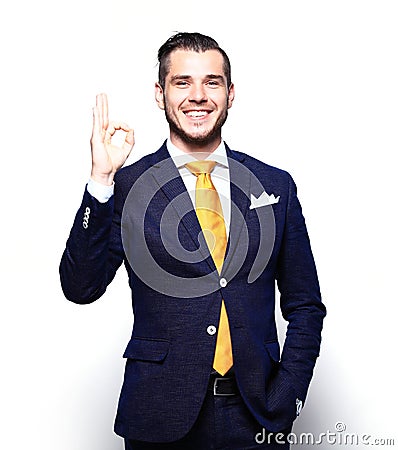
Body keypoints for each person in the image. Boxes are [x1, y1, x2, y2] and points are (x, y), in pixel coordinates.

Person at [60, 32, 326, 449]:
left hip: (256, 417)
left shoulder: (275, 186)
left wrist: (289, 392)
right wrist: (100, 181)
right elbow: (80, 288)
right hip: (159, 416)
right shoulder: (128, 186)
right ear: (160, 92)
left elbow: (306, 304)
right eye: (182, 82)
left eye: (212, 82)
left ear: (230, 93)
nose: (197, 96)